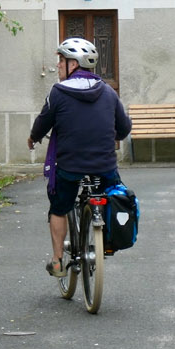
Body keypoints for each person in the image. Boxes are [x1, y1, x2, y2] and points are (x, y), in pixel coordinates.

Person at [27, 37, 131, 277]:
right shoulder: (108, 92)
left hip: (69, 166)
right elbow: (124, 129)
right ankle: (107, 239)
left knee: (59, 206)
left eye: (61, 61)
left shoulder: (58, 92)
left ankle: (57, 261)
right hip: (104, 165)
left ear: (73, 64)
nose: (58, 66)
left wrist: (33, 138)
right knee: (115, 195)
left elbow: (43, 123)